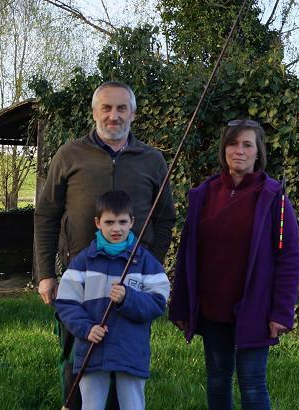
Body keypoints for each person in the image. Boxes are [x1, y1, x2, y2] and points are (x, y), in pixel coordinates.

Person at [35, 81, 176, 409]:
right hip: (81, 280)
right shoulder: (69, 155)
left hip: (131, 286)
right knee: (80, 363)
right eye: (107, 108)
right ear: (94, 112)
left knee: (126, 363)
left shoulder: (152, 160)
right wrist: (46, 274)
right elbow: (46, 215)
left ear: (133, 114)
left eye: (121, 108)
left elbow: (165, 218)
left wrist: (148, 266)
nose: (114, 115)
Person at [168, 119, 299, 410]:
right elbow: (187, 254)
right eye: (232, 143)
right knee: (217, 380)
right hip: (213, 307)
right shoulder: (204, 194)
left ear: (258, 152)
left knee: (252, 384)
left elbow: (289, 260)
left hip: (255, 308)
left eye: (247, 145)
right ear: (223, 150)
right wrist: (181, 306)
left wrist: (281, 312)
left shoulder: (273, 198)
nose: (239, 150)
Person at [55, 191, 170, 410]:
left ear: (132, 222)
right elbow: (66, 302)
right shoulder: (83, 262)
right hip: (91, 349)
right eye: (109, 222)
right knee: (91, 405)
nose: (116, 228)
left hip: (131, 350)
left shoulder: (146, 262)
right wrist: (86, 328)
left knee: (132, 405)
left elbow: (158, 302)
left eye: (122, 222)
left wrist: (128, 298)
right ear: (97, 223)